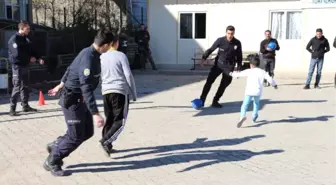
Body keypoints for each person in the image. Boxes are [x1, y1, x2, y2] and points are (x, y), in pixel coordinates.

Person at [44, 29, 113, 176]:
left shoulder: (90, 52)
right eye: (110, 45)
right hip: (72, 101)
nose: (111, 48)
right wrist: (95, 113)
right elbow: (86, 88)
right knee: (75, 136)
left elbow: (70, 68)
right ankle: (52, 160)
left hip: (79, 100)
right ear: (105, 45)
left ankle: (57, 145)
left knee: (87, 132)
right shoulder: (88, 58)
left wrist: (60, 84)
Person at [99, 35, 137, 157]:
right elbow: (128, 75)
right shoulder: (121, 56)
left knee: (109, 118)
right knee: (120, 120)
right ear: (115, 43)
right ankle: (105, 141)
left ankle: (108, 145)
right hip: (119, 91)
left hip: (106, 92)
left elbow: (98, 75)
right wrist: (133, 92)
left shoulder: (102, 56)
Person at [199, 25, 242, 108]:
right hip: (218, 64)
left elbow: (239, 57)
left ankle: (215, 100)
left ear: (234, 33)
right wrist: (204, 58)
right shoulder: (220, 40)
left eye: (232, 34)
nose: (230, 35)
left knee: (224, 84)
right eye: (228, 33)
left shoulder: (237, 43)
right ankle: (202, 100)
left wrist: (238, 68)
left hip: (229, 66)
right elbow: (211, 49)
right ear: (226, 33)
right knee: (209, 82)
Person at [229, 54, 277, 128]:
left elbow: (239, 74)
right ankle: (254, 117)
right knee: (256, 104)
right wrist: (274, 85)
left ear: (251, 65)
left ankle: (242, 117)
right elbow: (270, 79)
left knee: (245, 105)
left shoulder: (249, 71)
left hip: (249, 91)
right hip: (258, 92)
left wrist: (231, 74)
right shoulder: (262, 72)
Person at [8, 20, 44, 116]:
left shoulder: (26, 38)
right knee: (17, 86)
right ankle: (12, 108)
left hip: (25, 65)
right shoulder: (14, 40)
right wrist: (29, 58)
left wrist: (38, 58)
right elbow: (17, 55)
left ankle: (25, 106)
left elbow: (32, 50)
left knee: (25, 86)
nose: (29, 30)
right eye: (27, 29)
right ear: (21, 28)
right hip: (17, 66)